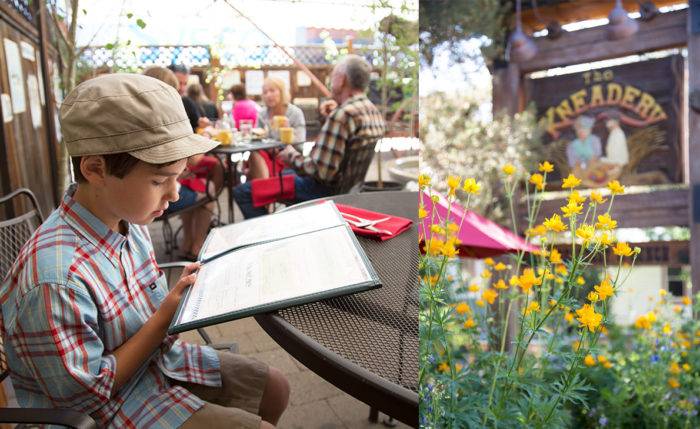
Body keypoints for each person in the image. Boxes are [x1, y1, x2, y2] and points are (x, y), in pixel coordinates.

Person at [0, 73, 289, 428]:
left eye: (178, 177)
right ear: (94, 169)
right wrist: (164, 318)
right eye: (158, 180)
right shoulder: (55, 279)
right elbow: (86, 395)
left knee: (275, 387)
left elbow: (149, 311)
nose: (174, 194)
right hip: (103, 410)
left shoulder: (129, 221)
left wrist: (186, 300)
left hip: (158, 364)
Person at [234, 55, 385, 219]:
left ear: (341, 80)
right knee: (273, 180)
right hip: (348, 191)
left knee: (244, 192)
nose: (330, 81)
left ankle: (270, 233)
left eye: (333, 76)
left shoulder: (343, 115)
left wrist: (290, 155)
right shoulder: (372, 111)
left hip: (320, 191)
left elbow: (319, 172)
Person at [144, 67, 221, 260]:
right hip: (157, 197)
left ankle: (188, 241)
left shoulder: (145, 118)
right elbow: (193, 159)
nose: (180, 92)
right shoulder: (168, 119)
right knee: (209, 191)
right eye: (177, 88)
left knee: (192, 182)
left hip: (146, 189)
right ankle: (197, 246)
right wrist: (204, 137)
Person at [247, 77, 306, 181]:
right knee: (253, 154)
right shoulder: (262, 114)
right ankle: (265, 189)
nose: (268, 95)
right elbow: (255, 138)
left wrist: (287, 132)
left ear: (282, 92)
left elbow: (300, 144)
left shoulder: (295, 113)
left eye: (272, 90)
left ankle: (265, 189)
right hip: (267, 156)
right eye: (265, 92)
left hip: (288, 158)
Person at [167, 64, 208, 131]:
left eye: (185, 84)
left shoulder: (187, 102)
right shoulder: (161, 102)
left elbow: (198, 125)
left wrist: (203, 124)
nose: (182, 88)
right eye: (178, 83)